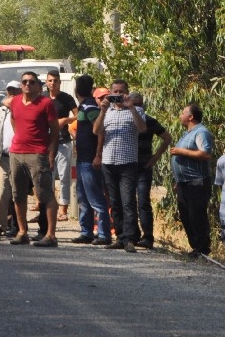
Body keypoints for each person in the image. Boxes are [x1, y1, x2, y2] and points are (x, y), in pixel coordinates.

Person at [92, 79, 147, 252]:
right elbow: (96, 131)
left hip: (127, 162)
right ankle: (120, 236)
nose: (118, 95)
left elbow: (142, 129)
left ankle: (130, 238)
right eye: (114, 91)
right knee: (114, 202)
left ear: (127, 92)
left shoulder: (136, 110)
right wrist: (102, 111)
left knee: (128, 201)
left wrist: (131, 107)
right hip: (109, 162)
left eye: (121, 92)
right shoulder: (106, 111)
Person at [8, 72, 60, 247]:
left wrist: (50, 153)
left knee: (44, 194)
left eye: (32, 82)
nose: (28, 84)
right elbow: (14, 122)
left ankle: (50, 235)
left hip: (38, 153)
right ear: (21, 85)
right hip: (16, 152)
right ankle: (22, 232)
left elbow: (55, 131)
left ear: (38, 85)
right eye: (24, 81)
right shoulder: (15, 101)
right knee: (18, 194)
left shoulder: (46, 103)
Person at [70, 75, 113, 246]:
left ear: (76, 90)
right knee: (83, 198)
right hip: (82, 159)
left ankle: (103, 234)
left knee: (95, 198)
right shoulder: (85, 106)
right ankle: (86, 232)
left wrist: (98, 155)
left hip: (90, 159)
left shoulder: (89, 107)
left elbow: (100, 131)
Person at [170, 103, 214, 258]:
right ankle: (195, 248)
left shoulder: (201, 132)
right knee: (186, 215)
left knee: (197, 215)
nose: (180, 115)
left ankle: (202, 249)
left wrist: (181, 151)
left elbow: (205, 154)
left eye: (183, 112)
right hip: (183, 183)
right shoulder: (187, 134)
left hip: (197, 181)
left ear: (191, 117)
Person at [129, 92, 171, 249]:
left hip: (143, 166)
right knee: (129, 201)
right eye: (133, 104)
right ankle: (132, 234)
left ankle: (147, 237)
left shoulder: (149, 121)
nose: (136, 107)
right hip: (127, 165)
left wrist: (156, 157)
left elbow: (167, 138)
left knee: (143, 201)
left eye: (138, 104)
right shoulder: (125, 120)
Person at [45, 70, 77, 222]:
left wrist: (65, 120)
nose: (53, 83)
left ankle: (63, 209)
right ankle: (48, 207)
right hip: (45, 142)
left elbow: (79, 115)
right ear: (46, 82)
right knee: (47, 176)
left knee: (64, 176)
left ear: (59, 82)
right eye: (50, 80)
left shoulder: (66, 98)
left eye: (55, 80)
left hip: (63, 141)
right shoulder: (42, 98)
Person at [0, 81, 20, 237]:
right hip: (2, 157)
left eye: (15, 91)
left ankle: (18, 227)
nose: (12, 94)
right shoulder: (1, 111)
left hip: (19, 157)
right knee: (1, 194)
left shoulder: (23, 108)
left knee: (18, 194)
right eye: (10, 91)